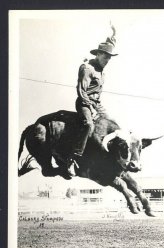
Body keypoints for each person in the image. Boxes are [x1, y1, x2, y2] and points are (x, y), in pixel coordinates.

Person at [67, 25, 118, 177]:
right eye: (106, 56)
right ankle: (74, 158)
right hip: (84, 103)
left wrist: (113, 35)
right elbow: (81, 91)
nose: (108, 59)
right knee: (88, 124)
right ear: (98, 54)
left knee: (113, 124)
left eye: (109, 57)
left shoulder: (102, 71)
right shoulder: (87, 68)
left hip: (96, 104)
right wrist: (90, 106)